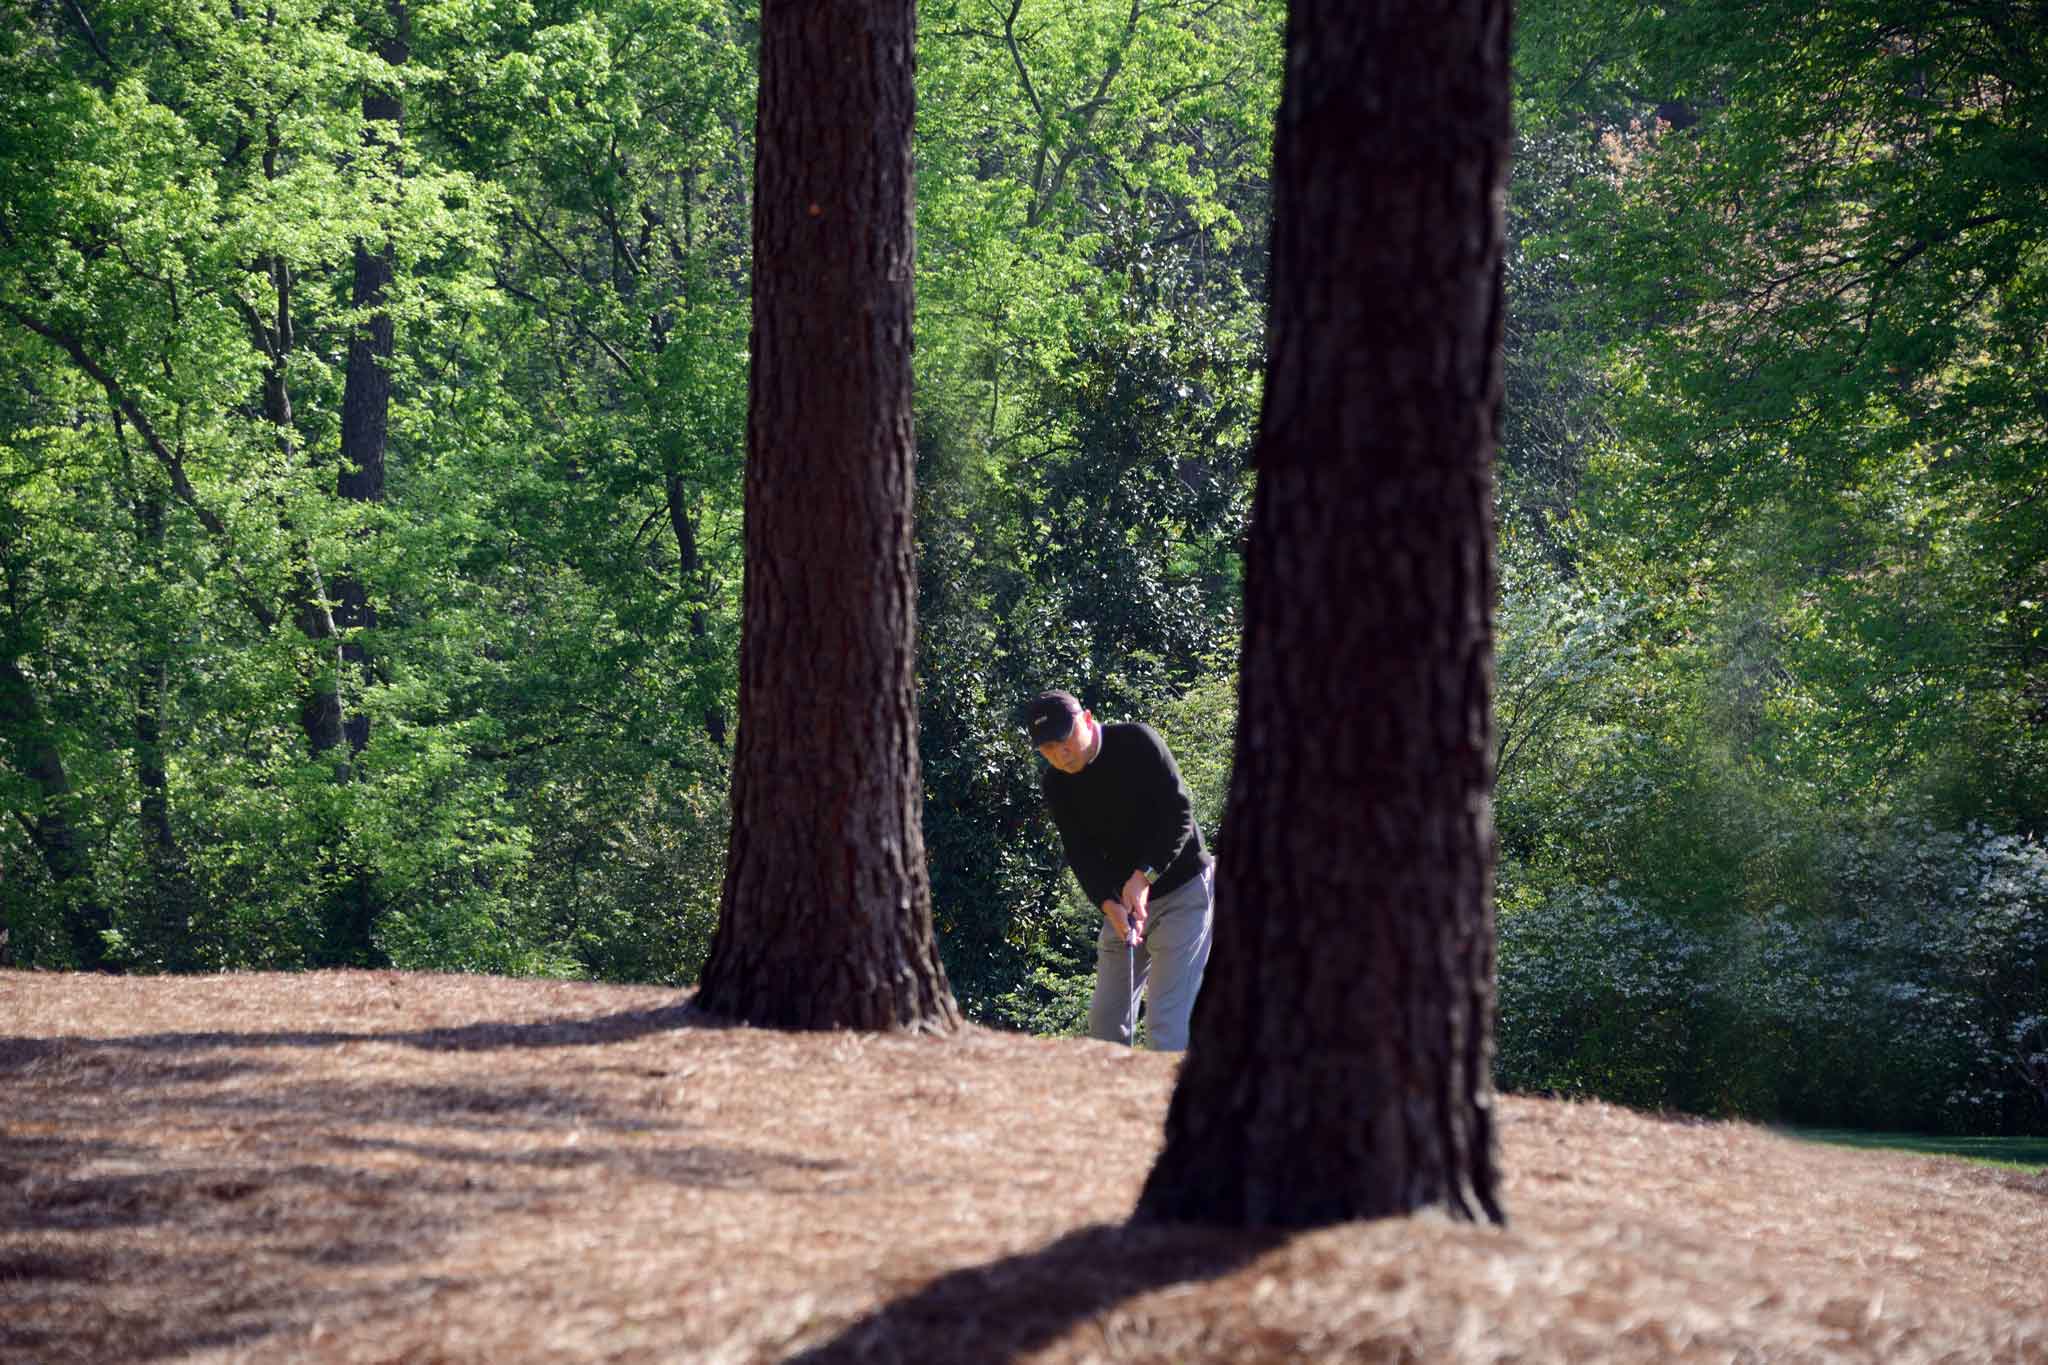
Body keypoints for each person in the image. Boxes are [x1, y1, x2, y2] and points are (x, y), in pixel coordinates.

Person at [1025, 689, 1214, 1050]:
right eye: (1047, 750)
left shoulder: (1137, 741)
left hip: (1184, 892)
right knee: (1105, 1029)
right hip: (1122, 908)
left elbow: (1180, 815)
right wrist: (1107, 904)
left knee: (1166, 1027)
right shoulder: (1056, 784)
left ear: (1088, 720)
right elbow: (1080, 852)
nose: (1060, 755)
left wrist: (1144, 876)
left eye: (1064, 741)